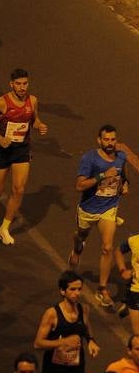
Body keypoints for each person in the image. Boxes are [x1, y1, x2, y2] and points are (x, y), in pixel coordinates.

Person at [0, 68, 48, 245]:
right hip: (3, 149)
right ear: (11, 84)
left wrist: (40, 125)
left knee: (19, 189)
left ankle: (4, 228)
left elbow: (33, 120)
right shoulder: (2, 103)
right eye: (18, 84)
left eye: (25, 83)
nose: (22, 87)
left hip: (22, 149)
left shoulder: (32, 101)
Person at [69, 124, 129, 308]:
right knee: (81, 236)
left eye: (113, 140)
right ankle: (78, 247)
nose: (110, 143)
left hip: (109, 208)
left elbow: (122, 175)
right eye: (106, 139)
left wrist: (125, 184)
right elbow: (79, 186)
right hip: (88, 209)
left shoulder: (121, 157)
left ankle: (102, 289)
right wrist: (103, 175)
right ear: (99, 140)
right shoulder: (90, 159)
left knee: (107, 247)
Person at [116, 235, 139, 333]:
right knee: (137, 334)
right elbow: (118, 251)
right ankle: (128, 301)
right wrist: (123, 270)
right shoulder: (135, 240)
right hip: (137, 291)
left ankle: (127, 301)